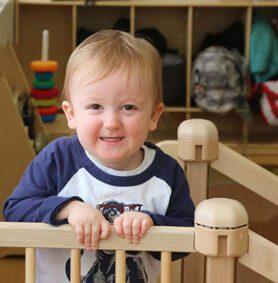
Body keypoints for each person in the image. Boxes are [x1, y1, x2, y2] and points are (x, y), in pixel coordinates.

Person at [3, 30, 195, 283]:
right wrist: (68, 208)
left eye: (128, 107)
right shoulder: (58, 160)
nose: (112, 122)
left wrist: (152, 222)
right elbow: (15, 210)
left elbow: (189, 233)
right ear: (71, 114)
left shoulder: (166, 173)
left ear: (153, 116)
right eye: (95, 107)